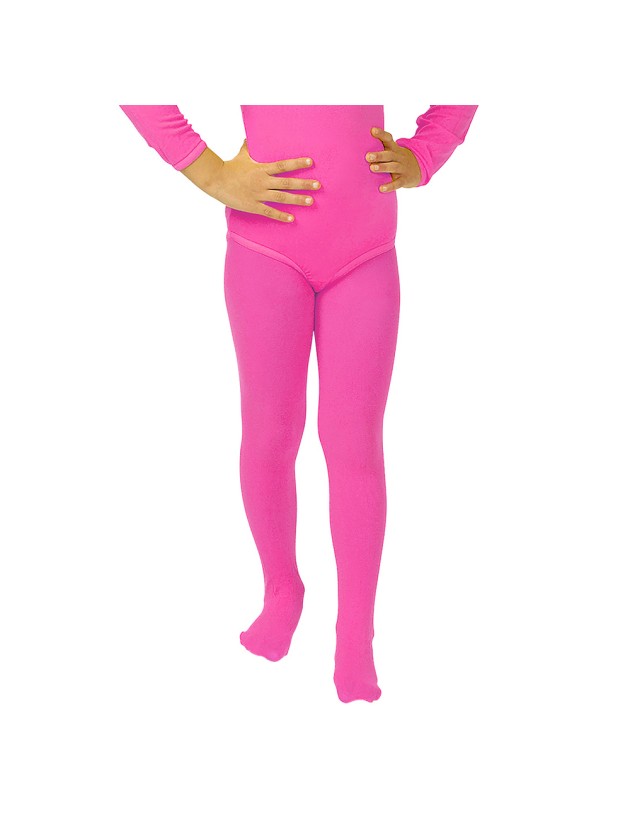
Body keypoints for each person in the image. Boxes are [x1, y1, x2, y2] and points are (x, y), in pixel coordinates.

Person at [119, 103, 478, 703]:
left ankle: (356, 632)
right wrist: (210, 173)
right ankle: (282, 589)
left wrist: (427, 151)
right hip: (265, 249)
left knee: (354, 444)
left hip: (365, 251)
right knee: (270, 435)